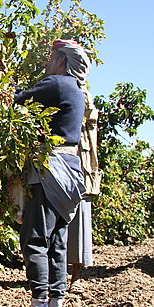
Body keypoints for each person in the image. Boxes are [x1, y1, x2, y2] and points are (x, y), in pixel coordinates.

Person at [9, 39, 91, 307]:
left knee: (34, 238)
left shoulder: (57, 83)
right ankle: (56, 305)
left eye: (51, 57)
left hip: (51, 170)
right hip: (71, 169)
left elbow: (19, 99)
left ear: (61, 61)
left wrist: (5, 87)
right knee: (56, 240)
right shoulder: (77, 91)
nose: (47, 62)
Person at [67, 87, 101, 294]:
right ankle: (54, 276)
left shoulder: (82, 93)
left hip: (80, 163)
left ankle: (76, 274)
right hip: (55, 162)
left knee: (79, 219)